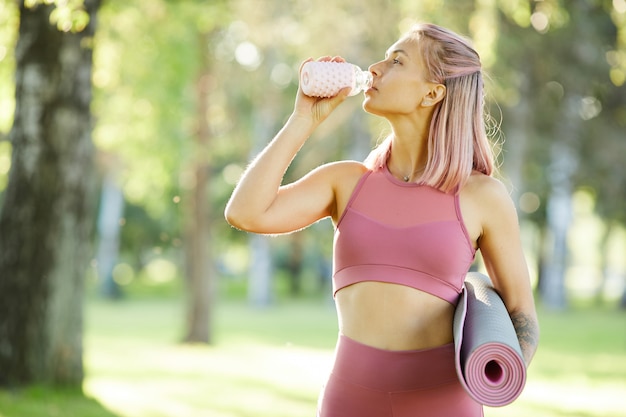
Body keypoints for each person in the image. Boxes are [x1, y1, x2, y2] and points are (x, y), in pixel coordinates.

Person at [225, 22, 539, 417]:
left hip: (442, 404)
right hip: (348, 402)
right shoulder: (345, 182)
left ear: (432, 92)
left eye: (396, 61)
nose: (374, 68)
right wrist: (303, 119)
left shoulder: (482, 197)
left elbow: (522, 313)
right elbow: (245, 212)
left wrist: (499, 377)